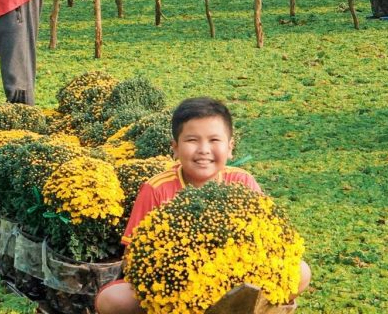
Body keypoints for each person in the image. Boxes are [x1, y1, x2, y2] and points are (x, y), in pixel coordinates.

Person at [95, 97, 311, 314]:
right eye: (192, 140)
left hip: (239, 280)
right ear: (175, 148)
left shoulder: (242, 182)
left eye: (214, 140)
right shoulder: (156, 189)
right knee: (111, 300)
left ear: (230, 148)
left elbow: (269, 239)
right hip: (174, 286)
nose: (203, 150)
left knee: (301, 272)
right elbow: (133, 254)